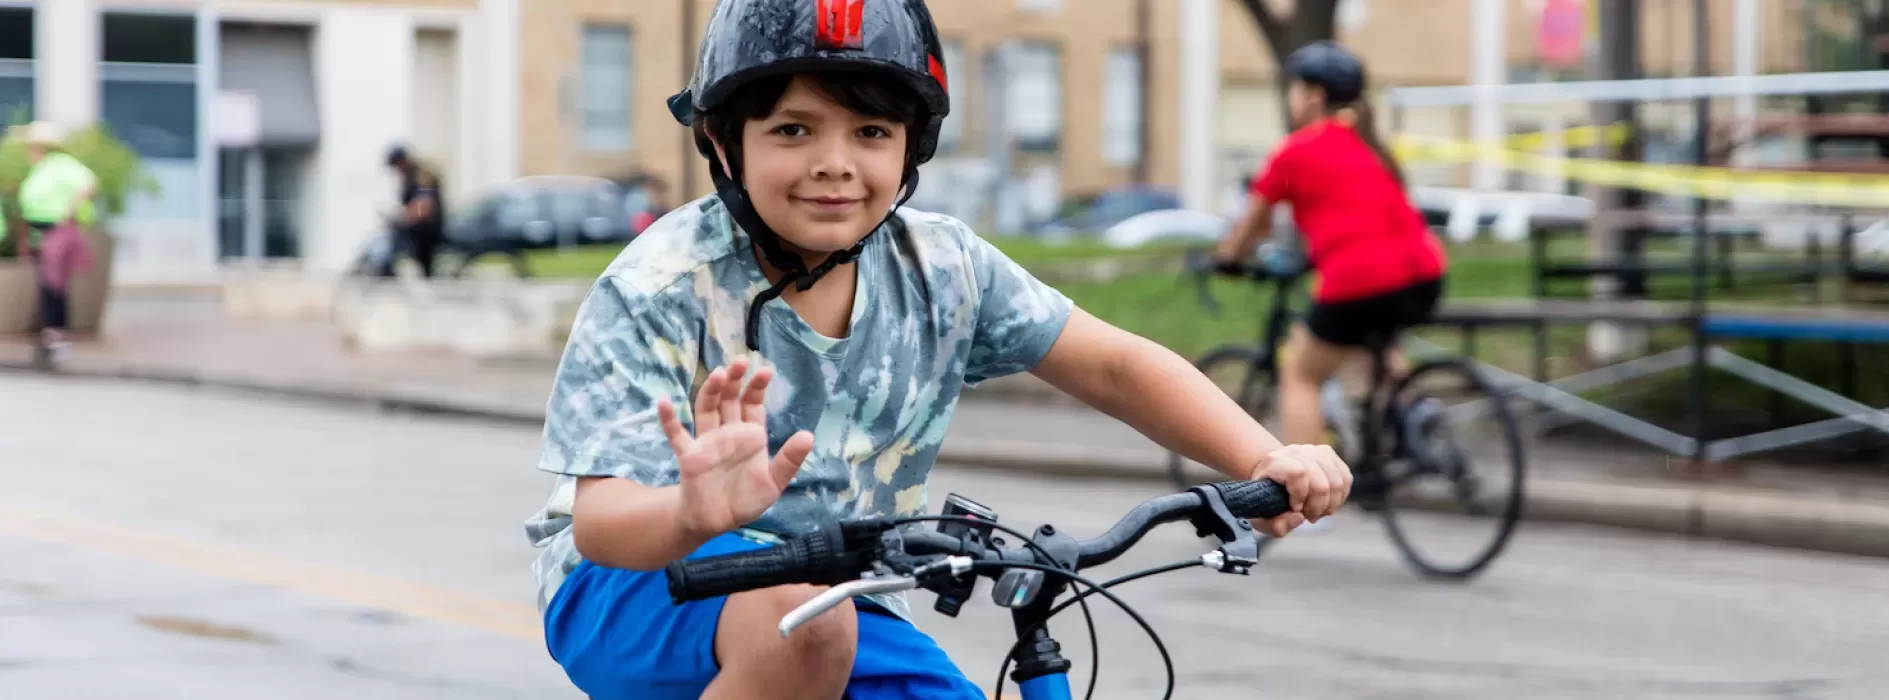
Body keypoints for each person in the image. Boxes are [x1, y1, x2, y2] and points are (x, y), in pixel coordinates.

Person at [523, 1, 1353, 698]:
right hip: (636, 580)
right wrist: (689, 514)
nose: (835, 164)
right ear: (722, 141)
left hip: (844, 589)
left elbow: (1111, 363)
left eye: (872, 131)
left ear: (911, 149)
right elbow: (600, 525)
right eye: (793, 129)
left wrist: (1263, 455)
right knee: (807, 633)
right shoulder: (664, 285)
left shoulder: (942, 266)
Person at [1212, 41, 1448, 494]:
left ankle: (1306, 493)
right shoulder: (1371, 145)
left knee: (1301, 373)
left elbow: (1251, 225)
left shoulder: (1296, 151)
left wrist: (1227, 259)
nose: (1290, 97)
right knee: (1369, 342)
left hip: (1360, 280)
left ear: (1314, 96)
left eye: (1293, 88)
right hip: (1423, 274)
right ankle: (1411, 407)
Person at [12, 120, 99, 356]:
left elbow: (89, 184)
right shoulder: (39, 169)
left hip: (57, 231)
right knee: (47, 283)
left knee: (54, 283)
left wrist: (69, 211)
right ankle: (51, 333)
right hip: (40, 232)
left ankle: (58, 334)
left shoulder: (61, 165)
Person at [383, 146, 444, 277]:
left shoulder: (423, 175)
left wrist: (401, 218)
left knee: (424, 269)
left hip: (426, 232)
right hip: (414, 229)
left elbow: (425, 207)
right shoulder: (407, 178)